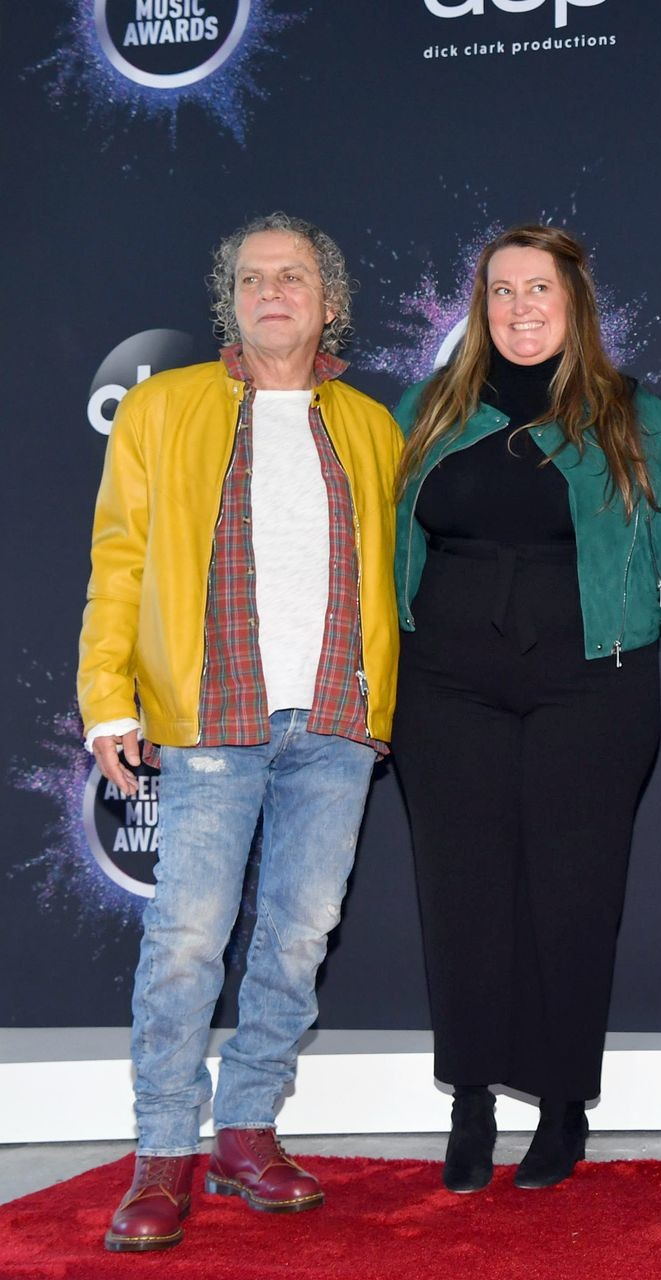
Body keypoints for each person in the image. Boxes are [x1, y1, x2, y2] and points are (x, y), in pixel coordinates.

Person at [79, 213, 402, 1252]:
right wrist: (107, 696)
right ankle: (164, 1150)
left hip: (337, 719)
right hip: (212, 713)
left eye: (292, 275)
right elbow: (120, 558)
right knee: (186, 937)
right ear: (231, 300)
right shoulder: (162, 408)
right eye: (253, 278)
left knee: (301, 935)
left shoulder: (372, 426)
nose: (272, 292)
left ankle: (247, 1130)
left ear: (326, 302)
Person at [391, 225, 661, 1193]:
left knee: (574, 898)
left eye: (540, 288)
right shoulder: (426, 409)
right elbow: (367, 531)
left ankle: (564, 1107)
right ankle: (471, 1105)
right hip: (444, 689)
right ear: (480, 306)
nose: (521, 307)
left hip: (593, 687)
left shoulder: (630, 414)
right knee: (460, 893)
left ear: (574, 302)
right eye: (502, 290)